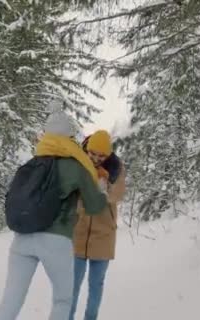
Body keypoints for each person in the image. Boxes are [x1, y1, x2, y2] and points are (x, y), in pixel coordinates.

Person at [0, 111, 108, 320]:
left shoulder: (31, 164)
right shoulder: (75, 166)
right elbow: (94, 207)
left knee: (10, 301)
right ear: (69, 139)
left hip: (22, 239)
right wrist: (101, 190)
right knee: (62, 300)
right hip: (56, 240)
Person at [70, 130, 127, 320]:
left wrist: (103, 184)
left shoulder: (116, 168)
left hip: (103, 235)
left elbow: (117, 195)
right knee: (71, 285)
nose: (95, 158)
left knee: (96, 285)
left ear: (108, 154)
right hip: (77, 234)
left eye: (101, 155)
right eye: (92, 153)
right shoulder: (77, 163)